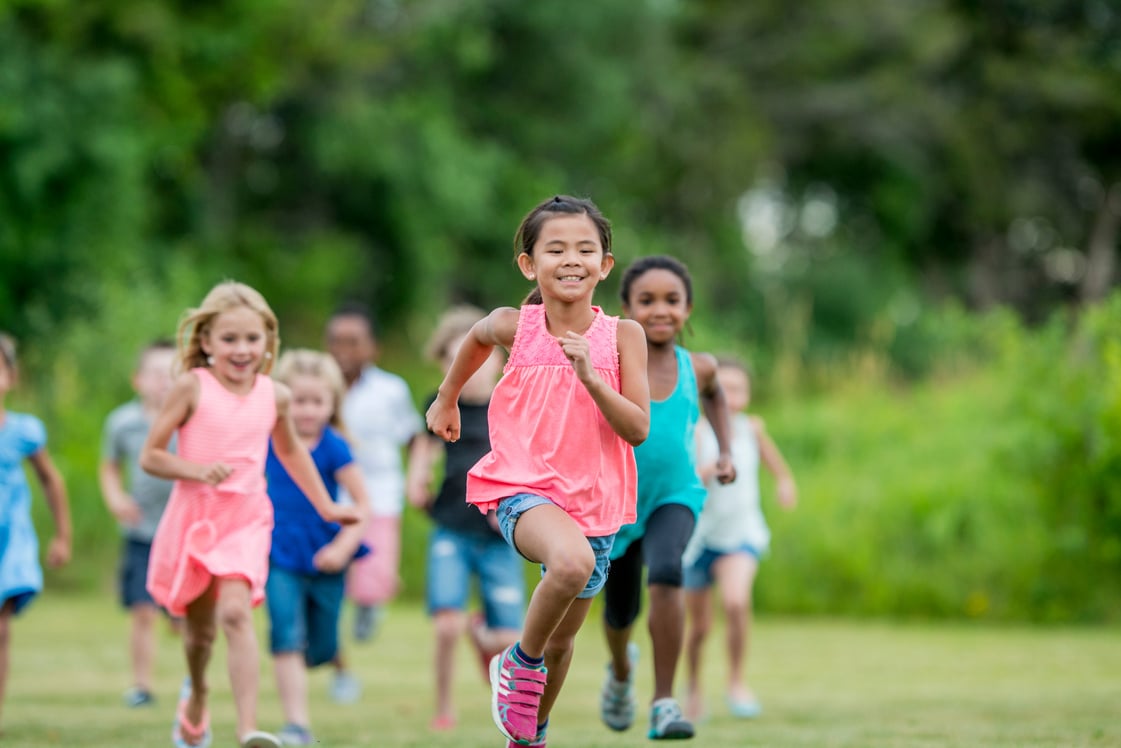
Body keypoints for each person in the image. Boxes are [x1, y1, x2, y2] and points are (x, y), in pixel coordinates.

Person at [427, 194, 650, 748]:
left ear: (605, 264)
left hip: (594, 502)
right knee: (570, 565)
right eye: (555, 248)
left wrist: (595, 379)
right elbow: (476, 338)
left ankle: (528, 735)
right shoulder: (514, 326)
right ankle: (516, 663)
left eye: (584, 248)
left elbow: (637, 428)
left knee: (561, 642)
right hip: (522, 485)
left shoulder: (624, 337)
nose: (570, 258)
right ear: (530, 265)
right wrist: (447, 398)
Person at [140, 281, 359, 748]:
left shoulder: (274, 396)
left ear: (267, 342)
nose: (242, 350)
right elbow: (152, 456)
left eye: (252, 339)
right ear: (206, 342)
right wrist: (196, 470)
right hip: (197, 518)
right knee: (199, 635)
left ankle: (247, 730)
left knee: (237, 614)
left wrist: (326, 505)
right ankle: (197, 693)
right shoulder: (191, 388)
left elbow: (292, 452)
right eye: (230, 339)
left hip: (246, 518)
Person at [600, 255, 736, 741]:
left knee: (666, 571)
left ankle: (664, 702)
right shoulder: (611, 362)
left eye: (672, 301)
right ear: (625, 309)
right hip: (616, 500)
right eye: (647, 301)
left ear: (688, 308)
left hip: (675, 494)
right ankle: (619, 671)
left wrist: (724, 450)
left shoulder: (698, 367)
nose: (660, 310)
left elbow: (717, 395)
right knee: (620, 613)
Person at [405, 305, 525, 732]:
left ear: (497, 359)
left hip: (500, 535)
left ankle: (487, 642)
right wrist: (416, 479)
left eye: (480, 357)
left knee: (508, 638)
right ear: (445, 364)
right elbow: (426, 449)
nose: (471, 369)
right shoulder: (441, 404)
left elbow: (525, 462)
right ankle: (444, 706)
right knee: (445, 626)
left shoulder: (511, 406)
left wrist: (513, 505)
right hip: (451, 529)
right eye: (458, 359)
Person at [263, 349, 371, 747]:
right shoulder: (269, 441)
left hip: (326, 555)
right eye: (299, 401)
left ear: (332, 403)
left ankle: (327, 659)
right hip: (278, 552)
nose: (307, 411)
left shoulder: (334, 446)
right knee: (284, 631)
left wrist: (344, 547)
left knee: (321, 645)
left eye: (317, 402)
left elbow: (362, 505)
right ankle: (297, 725)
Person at [683, 356, 797, 722]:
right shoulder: (697, 431)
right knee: (699, 627)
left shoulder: (751, 428)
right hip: (699, 538)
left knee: (735, 603)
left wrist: (784, 482)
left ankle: (736, 682)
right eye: (724, 389)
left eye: (738, 389)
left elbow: (774, 462)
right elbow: (686, 479)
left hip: (741, 533)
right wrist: (711, 470)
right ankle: (694, 688)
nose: (731, 396)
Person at [326, 303, 422, 644]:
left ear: (372, 347)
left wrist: (416, 478)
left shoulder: (390, 390)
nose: (344, 351)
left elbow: (413, 436)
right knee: (331, 571)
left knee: (373, 573)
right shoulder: (320, 388)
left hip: (380, 494)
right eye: (337, 341)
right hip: (329, 495)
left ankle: (369, 606)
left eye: (353, 341)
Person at [99, 339, 179, 708]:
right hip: (141, 531)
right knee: (141, 610)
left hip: (183, 531)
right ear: (138, 379)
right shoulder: (122, 422)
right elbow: (109, 466)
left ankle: (192, 681)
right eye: (155, 373)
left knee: (182, 615)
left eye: (172, 373)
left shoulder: (190, 419)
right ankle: (142, 685)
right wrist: (115, 498)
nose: (163, 381)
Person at [0, 333, 72, 731]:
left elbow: (51, 481)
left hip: (11, 542)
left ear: (11, 376)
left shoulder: (24, 431)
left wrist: (62, 535)